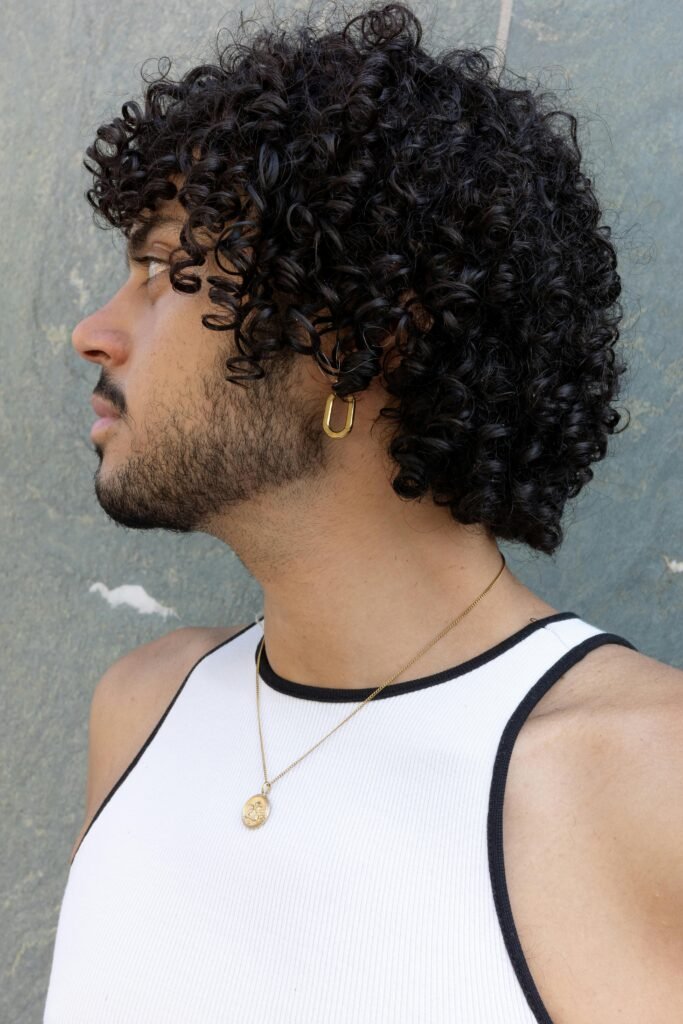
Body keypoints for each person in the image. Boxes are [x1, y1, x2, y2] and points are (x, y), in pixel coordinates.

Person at [44, 3, 683, 1021]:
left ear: (359, 334)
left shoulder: (646, 777)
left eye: (164, 270)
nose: (94, 333)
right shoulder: (143, 709)